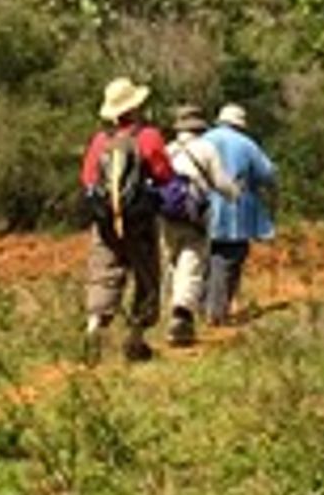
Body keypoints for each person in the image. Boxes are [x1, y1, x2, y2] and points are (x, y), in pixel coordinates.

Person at [77, 78, 178, 364]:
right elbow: (164, 176)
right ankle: (135, 339)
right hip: (140, 221)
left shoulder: (100, 141)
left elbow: (87, 179)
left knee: (104, 271)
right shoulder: (148, 137)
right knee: (146, 277)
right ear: (135, 107)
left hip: (106, 221)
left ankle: (94, 327)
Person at [193, 101, 280, 324]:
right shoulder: (247, 144)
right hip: (235, 211)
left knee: (203, 259)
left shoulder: (203, 140)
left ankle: (198, 308)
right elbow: (267, 173)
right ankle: (218, 311)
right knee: (229, 259)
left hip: (200, 208)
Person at [158, 101, 226, 348]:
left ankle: (166, 312)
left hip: (166, 215)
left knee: (171, 261)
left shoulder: (168, 149)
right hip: (194, 216)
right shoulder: (206, 148)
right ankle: (182, 315)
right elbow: (221, 182)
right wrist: (234, 193)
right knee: (192, 261)